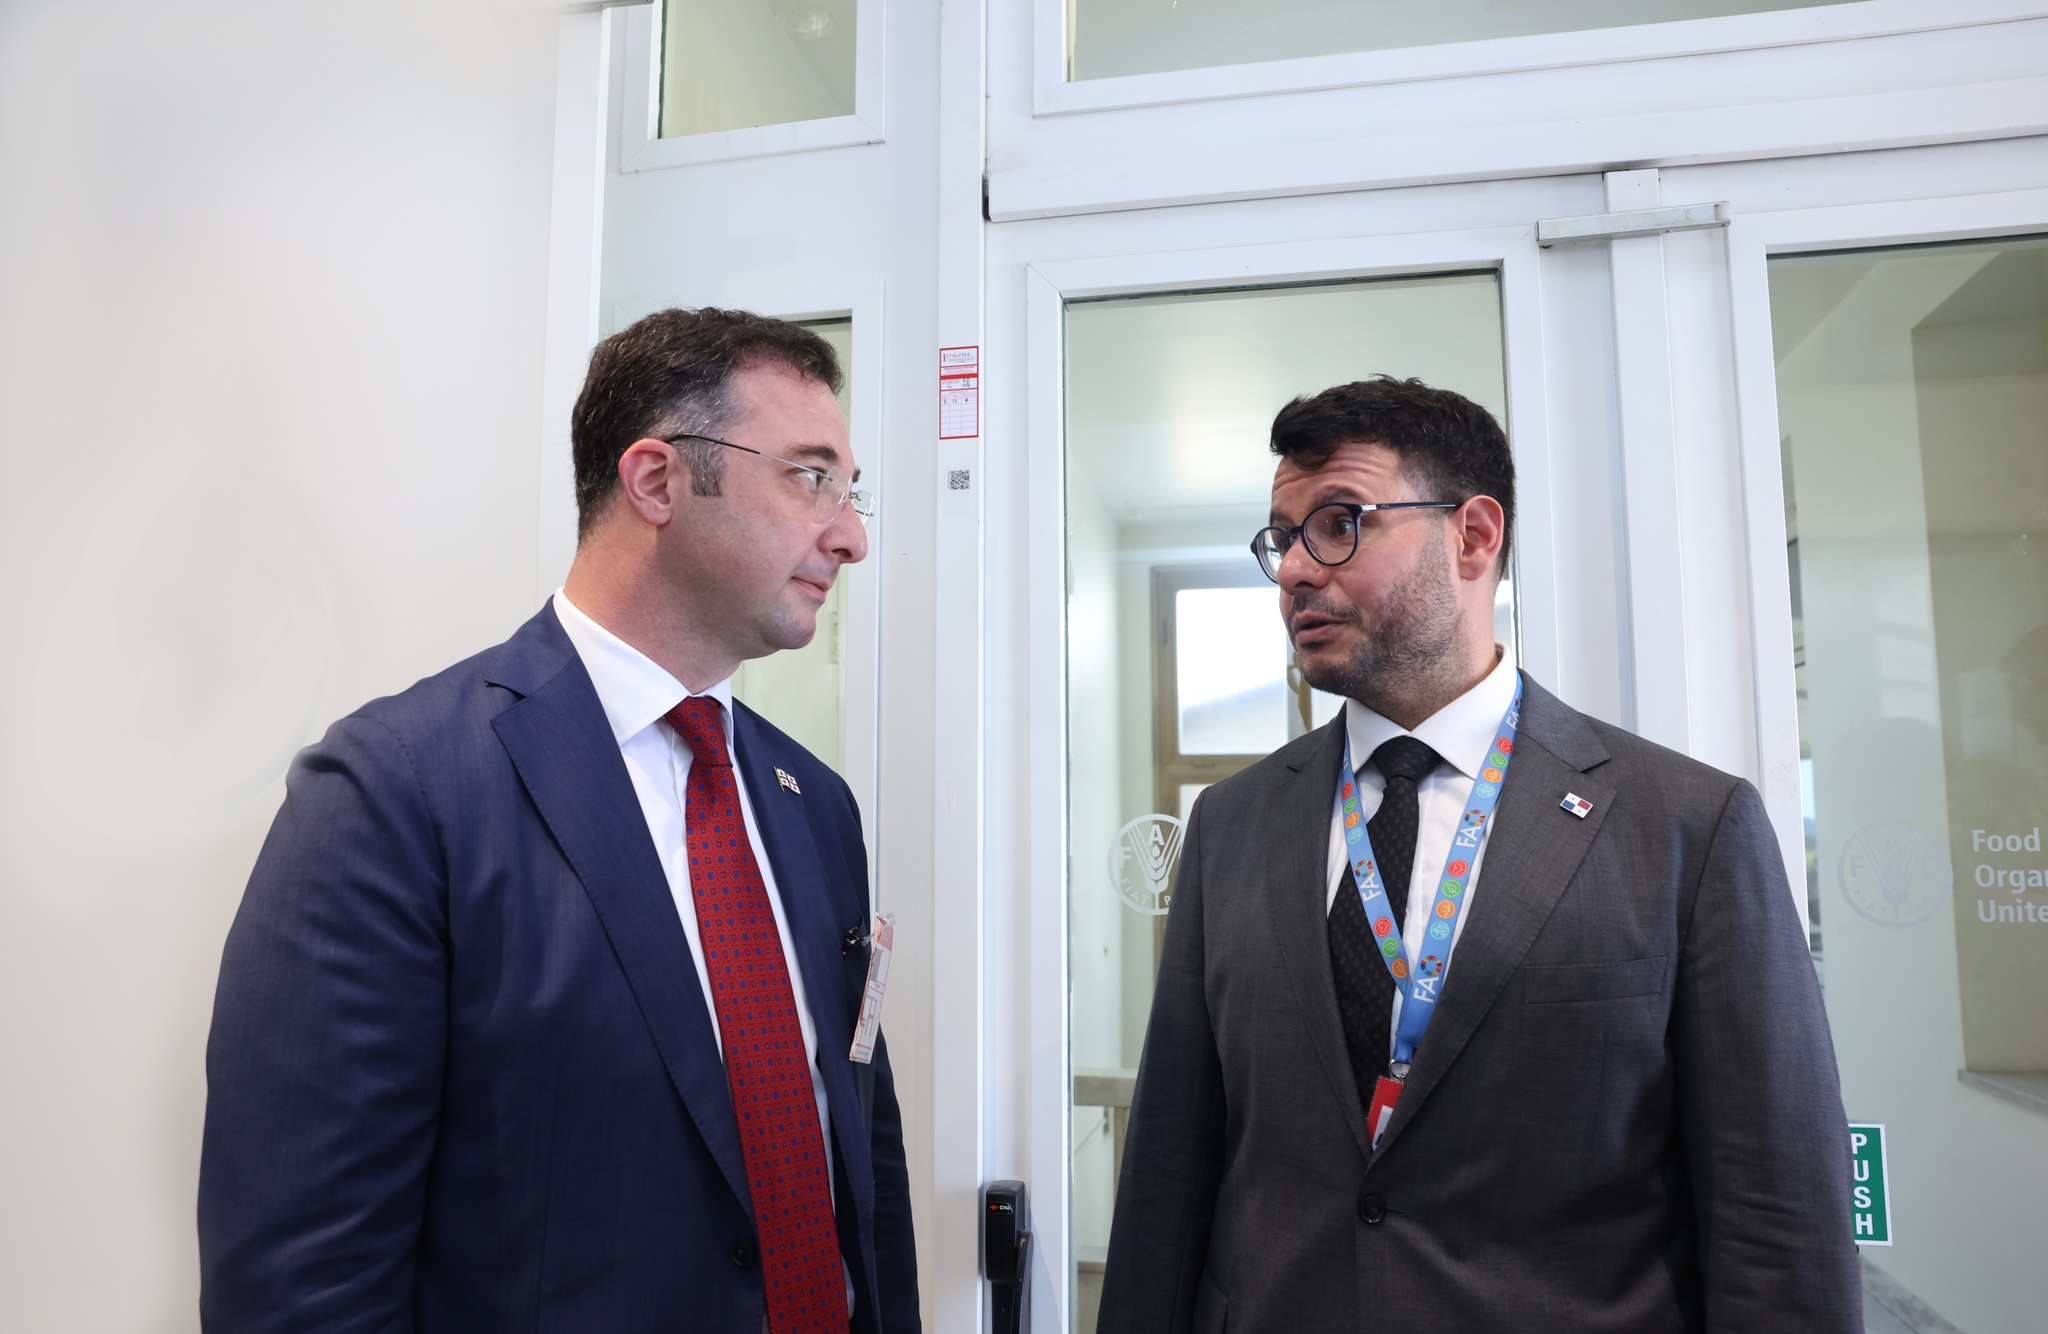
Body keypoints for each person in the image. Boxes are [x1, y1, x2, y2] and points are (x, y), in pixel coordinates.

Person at [198, 308, 919, 1333]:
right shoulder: (395, 793)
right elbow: (304, 1284)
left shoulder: (816, 803)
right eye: (810, 478)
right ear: (657, 480)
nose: (849, 535)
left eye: (852, 492)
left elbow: (859, 1154)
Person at [1095, 377, 1859, 1333]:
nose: (1292, 570)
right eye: (1282, 538)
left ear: (1473, 536)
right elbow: (1169, 1173)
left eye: (1337, 524)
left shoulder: (1687, 828)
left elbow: (1776, 1220)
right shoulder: (1233, 825)